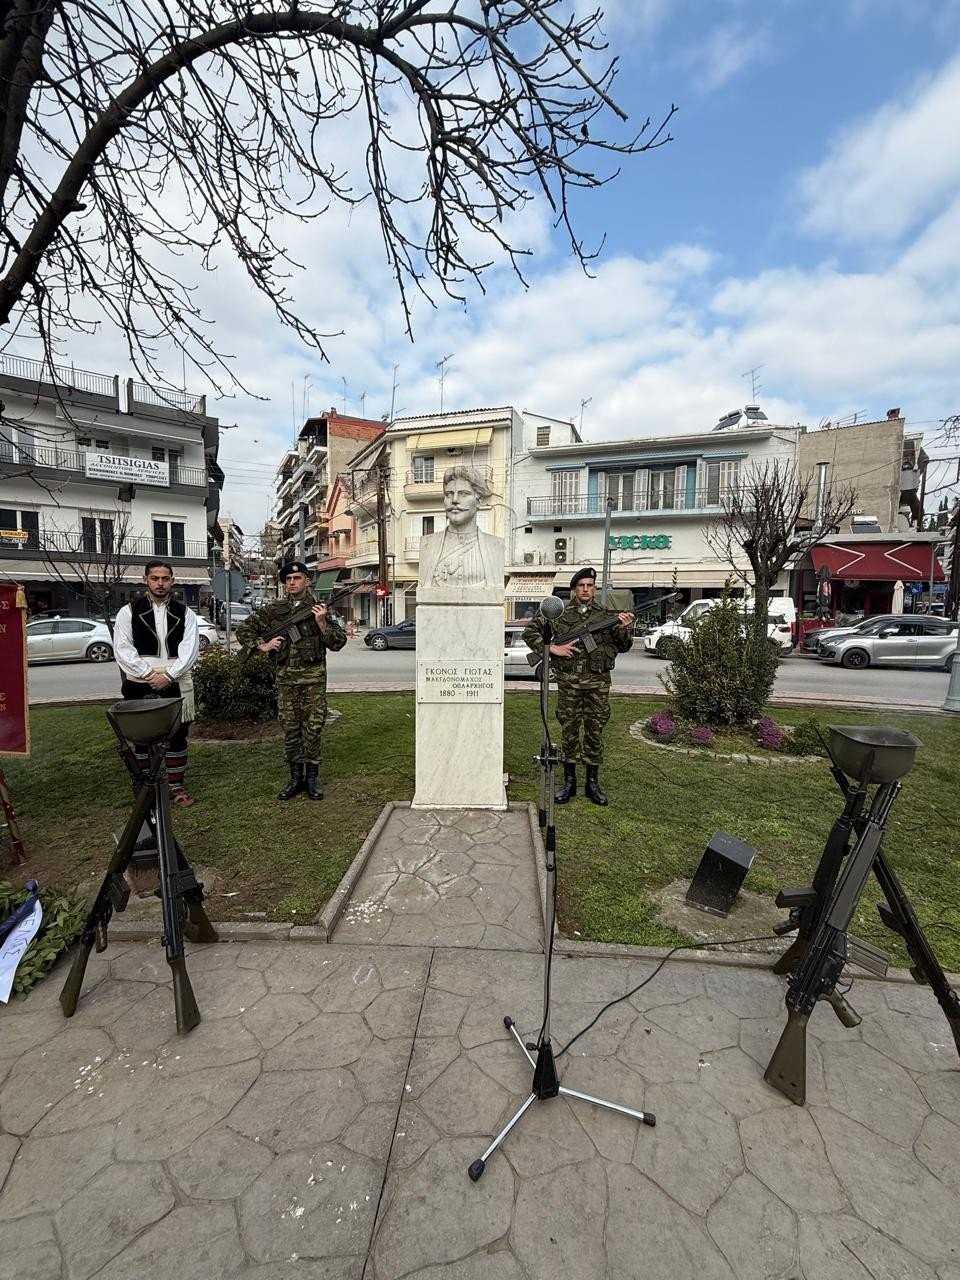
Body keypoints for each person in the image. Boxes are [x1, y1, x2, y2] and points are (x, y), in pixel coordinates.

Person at [235, 560, 346, 801]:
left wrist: (322, 622)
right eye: (288, 579)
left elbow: (338, 643)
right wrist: (262, 645)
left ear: (307, 581)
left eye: (297, 578)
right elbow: (244, 630)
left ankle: (312, 778)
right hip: (285, 680)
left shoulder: (319, 609)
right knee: (291, 729)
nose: (292, 583)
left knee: (314, 728)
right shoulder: (274, 610)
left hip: (313, 679)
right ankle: (295, 778)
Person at [523, 566, 634, 806]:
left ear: (594, 588)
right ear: (574, 589)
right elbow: (530, 632)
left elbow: (623, 646)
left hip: (597, 684)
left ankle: (592, 784)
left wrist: (624, 628)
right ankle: (570, 782)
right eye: (581, 585)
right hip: (569, 684)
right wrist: (552, 648)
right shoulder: (559, 613)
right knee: (569, 731)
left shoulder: (605, 614)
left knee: (595, 731)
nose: (586, 589)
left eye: (590, 586)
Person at [113, 560, 201, 806]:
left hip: (175, 679)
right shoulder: (128, 612)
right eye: (155, 578)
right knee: (141, 737)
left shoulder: (186, 613)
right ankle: (146, 787)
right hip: (140, 681)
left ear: (172, 581)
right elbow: (122, 649)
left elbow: (190, 649)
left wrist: (169, 676)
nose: (160, 583)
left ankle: (176, 787)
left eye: (165, 578)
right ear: (146, 580)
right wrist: (149, 675)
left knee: (177, 736)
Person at [417, 465, 504, 603]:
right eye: (449, 494)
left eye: (464, 494)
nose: (455, 500)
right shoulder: (428, 545)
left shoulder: (495, 546)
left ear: (479, 500)